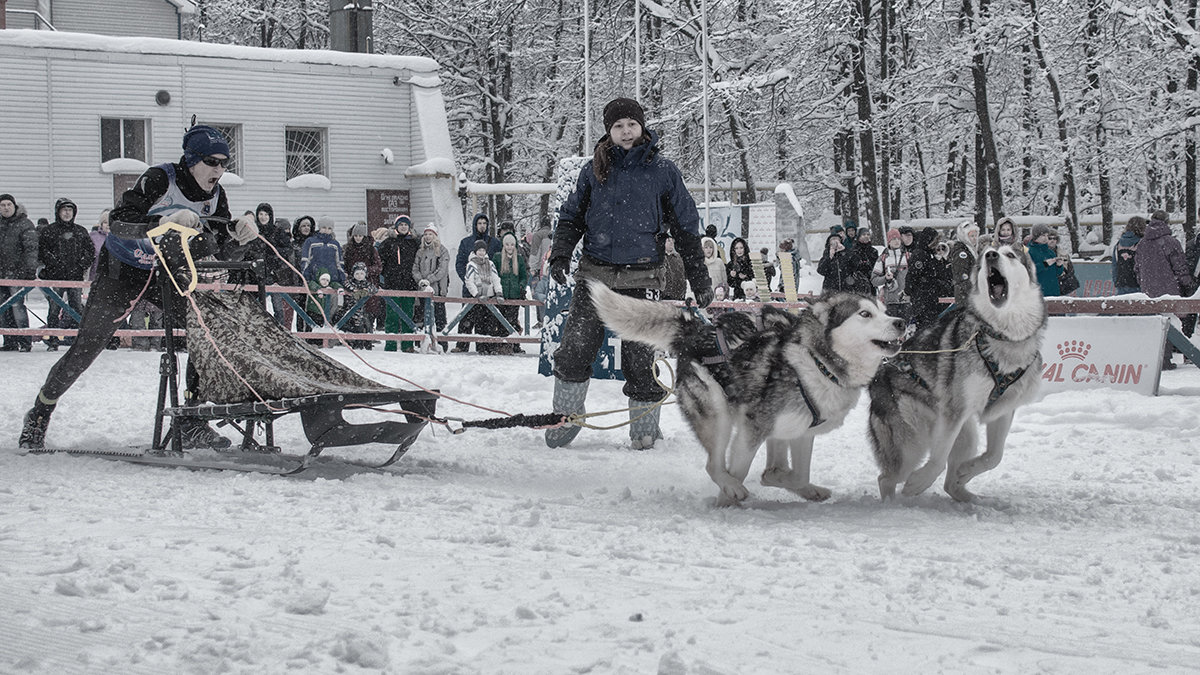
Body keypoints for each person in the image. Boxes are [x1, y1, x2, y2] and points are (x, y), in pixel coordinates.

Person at [20, 124, 258, 450]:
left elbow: (211, 247)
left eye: (224, 163)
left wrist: (237, 237)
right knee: (88, 347)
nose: (219, 170)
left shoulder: (216, 196)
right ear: (191, 160)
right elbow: (118, 221)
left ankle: (191, 420)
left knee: (204, 329)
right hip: (121, 270)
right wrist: (159, 224)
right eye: (212, 161)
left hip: (165, 272)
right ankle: (40, 412)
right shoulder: (160, 178)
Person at [545, 97, 713, 450]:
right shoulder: (593, 170)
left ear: (642, 128)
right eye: (618, 126)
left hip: (643, 279)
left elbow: (685, 227)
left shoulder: (663, 172)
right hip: (595, 276)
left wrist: (700, 279)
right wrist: (560, 255)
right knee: (574, 349)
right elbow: (571, 218)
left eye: (631, 125)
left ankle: (644, 428)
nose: (625, 131)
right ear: (609, 130)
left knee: (640, 359)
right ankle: (566, 418)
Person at [1135, 210, 1193, 369]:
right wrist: (1188, 284)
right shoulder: (1170, 242)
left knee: (1153, 325)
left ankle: (1154, 359)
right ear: (1167, 222)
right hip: (1168, 289)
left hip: (1148, 291)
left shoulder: (1141, 244)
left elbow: (1137, 269)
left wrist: (1143, 284)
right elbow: (1180, 267)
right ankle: (1165, 360)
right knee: (1169, 324)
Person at [37, 197, 95, 351]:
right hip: (55, 277)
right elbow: (43, 251)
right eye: (64, 210)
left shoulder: (80, 231)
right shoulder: (49, 231)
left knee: (76, 307)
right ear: (58, 212)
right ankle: (53, 339)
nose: (67, 213)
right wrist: (54, 264)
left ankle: (79, 339)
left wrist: (81, 265)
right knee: (54, 308)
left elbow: (90, 252)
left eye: (70, 210)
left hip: (75, 277)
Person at [453, 212, 501, 352]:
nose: (482, 226)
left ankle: (485, 346)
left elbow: (496, 265)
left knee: (486, 318)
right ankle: (462, 345)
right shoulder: (466, 242)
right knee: (467, 316)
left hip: (488, 288)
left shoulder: (494, 243)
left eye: (484, 223)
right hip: (470, 288)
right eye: (479, 223)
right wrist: (469, 280)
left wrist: (492, 284)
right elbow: (460, 263)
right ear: (475, 225)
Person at [0, 193, 38, 352]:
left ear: (14, 206)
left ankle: (24, 340)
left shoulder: (24, 224)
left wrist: (30, 270)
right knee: (3, 309)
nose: (6, 208)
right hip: (1, 274)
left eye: (8, 204)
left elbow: (31, 249)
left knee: (17, 307)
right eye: (2, 205)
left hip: (17, 273)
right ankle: (9, 341)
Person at [377, 215, 420, 351]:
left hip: (409, 284)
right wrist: (386, 277)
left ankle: (408, 344)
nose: (403, 227)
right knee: (392, 315)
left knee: (408, 314)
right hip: (392, 283)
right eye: (401, 225)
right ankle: (391, 344)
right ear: (396, 227)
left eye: (405, 225)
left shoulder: (414, 243)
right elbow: (380, 262)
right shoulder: (388, 242)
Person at [904, 227, 952, 330]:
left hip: (931, 298)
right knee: (926, 328)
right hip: (924, 299)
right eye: (935, 241)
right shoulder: (920, 255)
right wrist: (912, 292)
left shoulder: (930, 254)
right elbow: (912, 276)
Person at [412, 223, 450, 350]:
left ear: (435, 236)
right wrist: (420, 280)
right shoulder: (420, 251)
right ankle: (423, 343)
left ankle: (441, 343)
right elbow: (415, 268)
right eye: (426, 234)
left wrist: (429, 279)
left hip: (437, 289)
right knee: (422, 317)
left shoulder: (442, 251)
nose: (428, 237)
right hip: (422, 289)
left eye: (431, 234)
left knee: (439, 318)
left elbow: (442, 270)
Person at [464, 239, 505, 354]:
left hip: (490, 296)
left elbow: (496, 279)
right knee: (480, 323)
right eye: (479, 250)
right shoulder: (471, 265)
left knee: (491, 323)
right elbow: (469, 281)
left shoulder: (490, 264)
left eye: (483, 250)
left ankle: (491, 346)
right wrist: (476, 294)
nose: (481, 253)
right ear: (475, 251)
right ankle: (481, 347)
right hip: (479, 298)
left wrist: (499, 293)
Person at [342, 221, 382, 332]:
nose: (358, 238)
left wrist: (364, 271)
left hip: (368, 283)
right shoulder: (348, 249)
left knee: (368, 312)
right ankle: (354, 337)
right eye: (356, 236)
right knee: (352, 311)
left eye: (360, 236)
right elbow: (344, 265)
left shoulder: (371, 249)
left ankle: (368, 335)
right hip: (352, 284)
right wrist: (348, 274)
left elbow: (378, 267)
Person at [494, 230, 529, 353]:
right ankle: (501, 345)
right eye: (507, 244)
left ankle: (514, 345)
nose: (510, 247)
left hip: (515, 294)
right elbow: (494, 274)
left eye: (512, 244)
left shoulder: (519, 259)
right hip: (501, 294)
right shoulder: (497, 257)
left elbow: (524, 276)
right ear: (504, 245)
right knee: (500, 319)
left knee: (513, 320)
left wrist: (521, 286)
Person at [872, 227, 910, 319]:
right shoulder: (883, 258)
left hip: (906, 300)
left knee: (907, 329)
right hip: (890, 302)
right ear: (888, 241)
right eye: (893, 239)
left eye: (898, 238)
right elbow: (874, 280)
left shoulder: (909, 256)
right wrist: (885, 278)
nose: (896, 241)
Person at [526, 217, 554, 328]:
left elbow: (534, 253)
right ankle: (549, 319)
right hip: (549, 269)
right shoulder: (552, 234)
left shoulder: (538, 235)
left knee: (537, 294)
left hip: (539, 270)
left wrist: (533, 268)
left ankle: (541, 320)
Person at [948, 220, 981, 306]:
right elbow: (961, 276)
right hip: (965, 295)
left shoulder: (972, 251)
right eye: (971, 236)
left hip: (970, 294)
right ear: (964, 237)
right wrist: (973, 291)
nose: (974, 238)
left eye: (976, 235)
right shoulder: (962, 253)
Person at [1028, 223, 1063, 296]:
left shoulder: (1051, 252)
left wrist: (1059, 266)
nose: (1045, 238)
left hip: (1054, 291)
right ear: (1036, 236)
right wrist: (1045, 264)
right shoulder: (1028, 251)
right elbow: (1029, 271)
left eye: (1047, 235)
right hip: (1037, 292)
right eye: (1043, 235)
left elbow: (1057, 273)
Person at [1113, 216, 1145, 295]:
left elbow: (1114, 266)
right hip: (1137, 284)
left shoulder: (1118, 244)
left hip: (1122, 283)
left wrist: (1116, 281)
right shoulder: (1142, 244)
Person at [844, 227, 879, 296]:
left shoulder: (873, 251)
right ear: (859, 236)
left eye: (868, 234)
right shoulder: (853, 251)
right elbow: (849, 268)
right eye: (863, 235)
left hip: (871, 282)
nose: (866, 236)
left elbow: (877, 267)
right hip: (857, 284)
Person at [661, 236, 687, 301]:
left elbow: (683, 276)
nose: (671, 243)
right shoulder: (659, 258)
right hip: (663, 296)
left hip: (678, 296)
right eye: (669, 241)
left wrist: (682, 293)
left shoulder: (678, 257)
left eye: (672, 240)